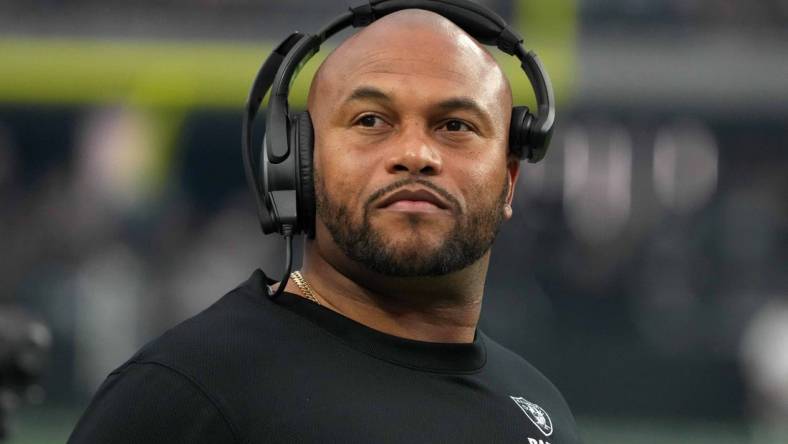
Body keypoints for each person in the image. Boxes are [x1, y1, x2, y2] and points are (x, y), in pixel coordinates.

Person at [69, 7, 582, 444]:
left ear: (509, 181)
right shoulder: (187, 393)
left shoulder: (539, 409)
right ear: (300, 162)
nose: (415, 155)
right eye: (371, 121)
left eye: (455, 126)